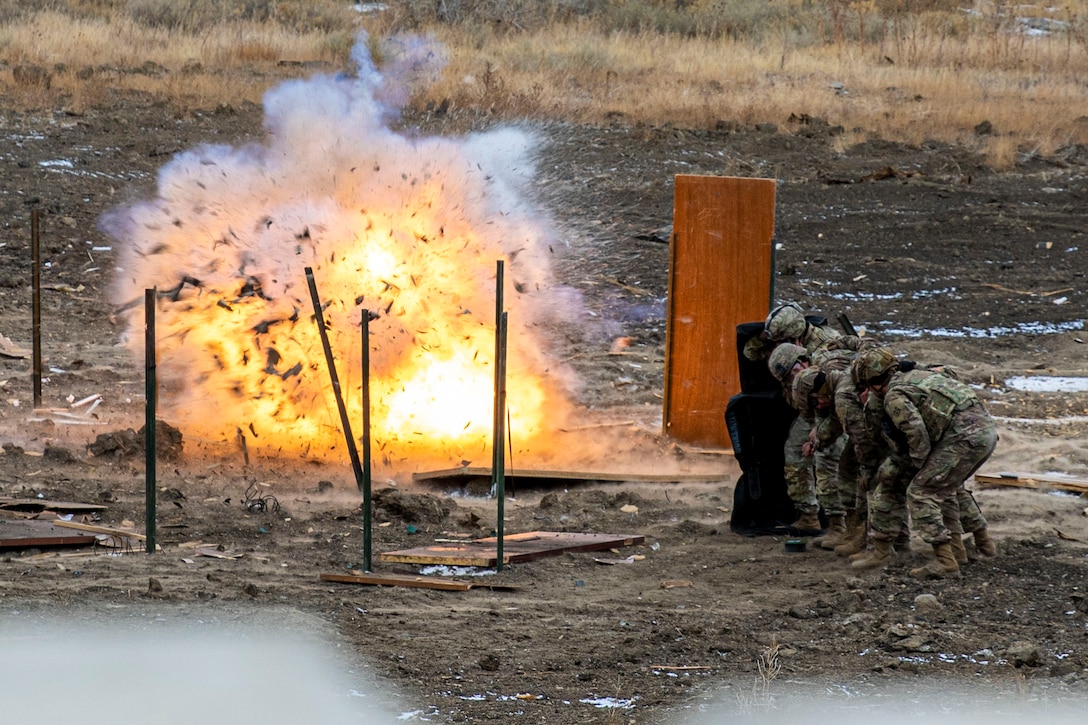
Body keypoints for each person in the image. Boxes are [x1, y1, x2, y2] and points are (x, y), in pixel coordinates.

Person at [849, 347, 998, 578]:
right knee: (944, 489)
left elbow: (915, 431)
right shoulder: (920, 375)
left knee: (921, 491)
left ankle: (945, 561)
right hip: (984, 432)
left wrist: (917, 463)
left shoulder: (894, 396)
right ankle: (961, 551)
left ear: (872, 383)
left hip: (962, 438)